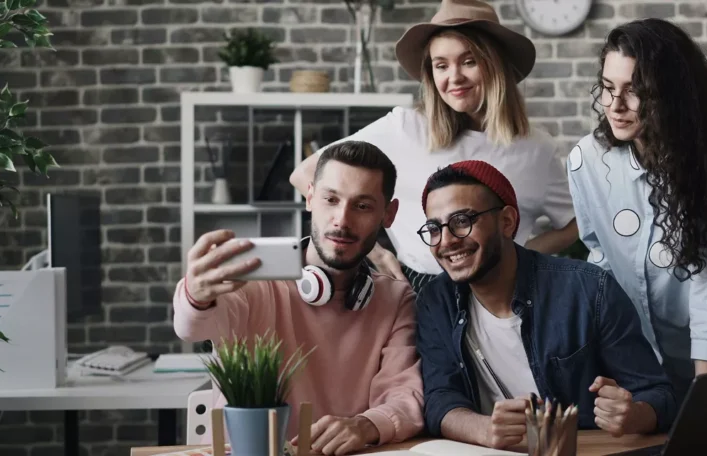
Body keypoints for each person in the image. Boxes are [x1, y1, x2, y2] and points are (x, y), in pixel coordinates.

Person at [565, 18, 707, 421]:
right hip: (654, 370)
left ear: (670, 95)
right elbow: (600, 259)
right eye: (608, 87)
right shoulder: (587, 160)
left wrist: (702, 404)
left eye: (635, 92)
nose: (615, 105)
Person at [289, 0, 577, 294]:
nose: (454, 77)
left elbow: (574, 223)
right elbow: (305, 173)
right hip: (419, 290)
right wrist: (374, 252)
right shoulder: (405, 127)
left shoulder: (537, 148)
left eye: (468, 61)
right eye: (441, 65)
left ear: (495, 64)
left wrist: (524, 253)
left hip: (505, 291)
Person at [174, 141, 424, 454]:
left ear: (388, 214)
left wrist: (367, 425)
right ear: (310, 198)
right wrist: (195, 295)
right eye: (330, 199)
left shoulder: (396, 298)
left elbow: (404, 395)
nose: (341, 220)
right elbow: (192, 329)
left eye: (362, 206)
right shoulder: (252, 282)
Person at [415, 160, 677, 450]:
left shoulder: (589, 290)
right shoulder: (435, 301)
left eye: (462, 221)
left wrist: (633, 415)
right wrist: (484, 429)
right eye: (434, 228)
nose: (447, 241)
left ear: (507, 221)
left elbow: (658, 395)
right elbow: (441, 398)